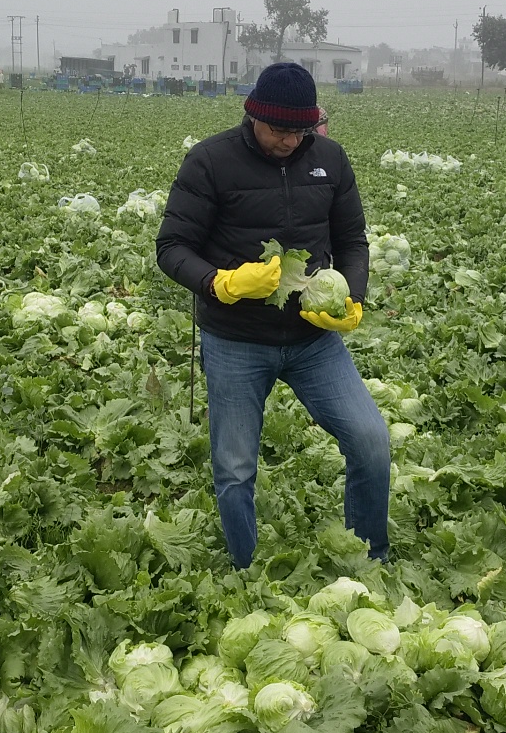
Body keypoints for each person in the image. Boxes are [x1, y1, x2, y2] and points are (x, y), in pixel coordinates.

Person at [156, 62, 388, 569]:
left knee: (371, 441)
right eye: (278, 130)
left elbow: (352, 241)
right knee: (235, 469)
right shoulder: (210, 161)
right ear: (253, 115)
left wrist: (354, 299)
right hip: (236, 340)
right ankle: (246, 570)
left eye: (298, 131)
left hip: (312, 342)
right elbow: (172, 247)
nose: (288, 141)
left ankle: (371, 558)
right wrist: (219, 282)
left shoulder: (331, 160)